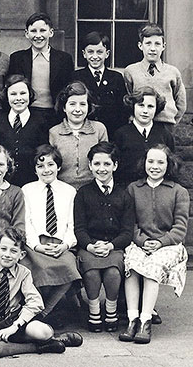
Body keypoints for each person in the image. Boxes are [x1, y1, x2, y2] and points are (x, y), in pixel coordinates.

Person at [0, 227, 83, 358]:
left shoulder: (23, 273)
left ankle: (44, 339)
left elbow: (36, 301)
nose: (7, 254)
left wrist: (16, 325)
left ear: (21, 255)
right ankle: (37, 347)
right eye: (3, 249)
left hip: (13, 321)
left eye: (13, 251)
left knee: (43, 331)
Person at [119, 145, 189, 344]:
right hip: (139, 242)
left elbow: (180, 228)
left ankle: (145, 321)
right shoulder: (133, 189)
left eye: (160, 162)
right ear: (144, 163)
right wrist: (142, 240)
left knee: (152, 268)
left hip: (168, 245)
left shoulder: (179, 192)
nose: (155, 166)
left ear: (169, 165)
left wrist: (160, 242)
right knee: (131, 265)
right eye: (151, 161)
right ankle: (132, 319)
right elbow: (129, 223)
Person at [73, 142, 134, 333]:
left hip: (114, 247)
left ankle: (111, 310)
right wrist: (90, 246)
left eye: (107, 164)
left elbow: (127, 231)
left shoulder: (124, 195)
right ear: (90, 165)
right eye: (97, 164)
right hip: (89, 246)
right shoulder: (83, 193)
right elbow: (79, 228)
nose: (102, 169)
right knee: (91, 273)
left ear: (115, 165)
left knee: (113, 273)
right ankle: (93, 312)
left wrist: (111, 245)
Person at [21, 144, 81, 323]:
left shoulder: (69, 191)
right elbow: (27, 222)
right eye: (41, 166)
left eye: (50, 165)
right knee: (32, 267)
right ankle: (37, 308)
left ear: (59, 167)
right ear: (35, 170)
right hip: (36, 244)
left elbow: (73, 224)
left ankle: (43, 313)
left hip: (61, 244)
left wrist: (65, 245)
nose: (46, 170)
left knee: (70, 268)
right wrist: (37, 246)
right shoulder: (27, 190)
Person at [7, 12, 74, 126]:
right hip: (27, 114)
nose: (38, 35)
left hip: (55, 115)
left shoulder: (64, 59)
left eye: (42, 30)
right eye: (33, 31)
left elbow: (68, 90)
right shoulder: (17, 58)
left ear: (51, 32)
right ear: (26, 33)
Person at [123, 23, 186, 132]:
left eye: (157, 44)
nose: (153, 48)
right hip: (139, 124)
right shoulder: (131, 71)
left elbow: (181, 102)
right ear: (140, 45)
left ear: (163, 46)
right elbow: (128, 98)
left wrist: (171, 120)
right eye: (148, 43)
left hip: (165, 125)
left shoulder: (172, 72)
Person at [49, 81, 108, 190]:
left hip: (92, 190)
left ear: (88, 106)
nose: (77, 109)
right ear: (64, 107)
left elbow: (106, 163)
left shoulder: (99, 129)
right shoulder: (54, 132)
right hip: (63, 190)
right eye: (72, 104)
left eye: (82, 104)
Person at [0, 74, 48, 186]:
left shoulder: (41, 121)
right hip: (3, 182)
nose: (18, 98)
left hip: (32, 182)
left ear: (30, 94)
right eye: (13, 94)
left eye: (23, 93)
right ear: (6, 96)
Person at [113, 87, 175, 187]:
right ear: (133, 106)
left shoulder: (164, 134)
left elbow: (172, 166)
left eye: (150, 106)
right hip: (128, 189)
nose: (145, 111)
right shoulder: (121, 134)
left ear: (157, 108)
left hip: (158, 189)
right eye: (141, 105)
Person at [71, 31, 127, 135]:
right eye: (90, 52)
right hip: (84, 132)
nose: (95, 56)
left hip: (111, 132)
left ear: (107, 54)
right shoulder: (76, 77)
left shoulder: (116, 78)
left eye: (99, 52)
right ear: (84, 54)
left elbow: (122, 111)